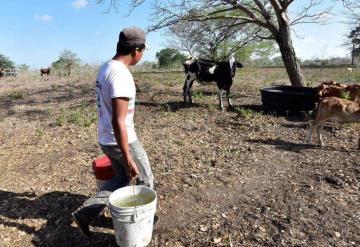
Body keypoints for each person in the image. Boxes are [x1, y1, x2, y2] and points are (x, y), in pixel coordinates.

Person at [72, 26, 155, 236]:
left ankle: (85, 213)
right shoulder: (121, 76)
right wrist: (127, 156)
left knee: (120, 179)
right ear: (136, 50)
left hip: (106, 138)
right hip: (121, 140)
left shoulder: (105, 68)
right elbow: (119, 120)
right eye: (143, 51)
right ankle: (142, 219)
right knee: (146, 178)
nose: (142, 56)